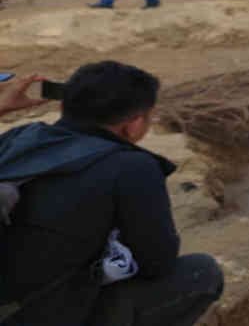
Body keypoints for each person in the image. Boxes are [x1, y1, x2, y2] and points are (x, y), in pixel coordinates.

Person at [0, 62, 224, 325]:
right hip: (35, 315)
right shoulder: (132, 166)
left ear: (62, 107)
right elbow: (157, 264)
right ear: (134, 125)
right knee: (202, 273)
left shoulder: (19, 138)